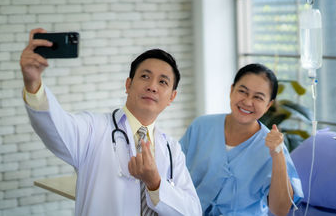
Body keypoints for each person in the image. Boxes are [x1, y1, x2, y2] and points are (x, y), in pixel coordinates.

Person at [20, 28, 202, 216]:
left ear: (172, 97)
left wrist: (155, 184)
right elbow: (55, 127)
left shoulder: (172, 148)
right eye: (145, 76)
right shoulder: (94, 128)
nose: (152, 86)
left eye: (162, 82)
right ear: (128, 85)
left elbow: (193, 211)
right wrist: (33, 84)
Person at [179, 63, 303, 216]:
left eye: (258, 97)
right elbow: (173, 173)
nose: (247, 101)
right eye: (242, 91)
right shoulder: (201, 127)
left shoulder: (273, 146)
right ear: (232, 90)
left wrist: (277, 155)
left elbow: (280, 210)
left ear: (268, 105)